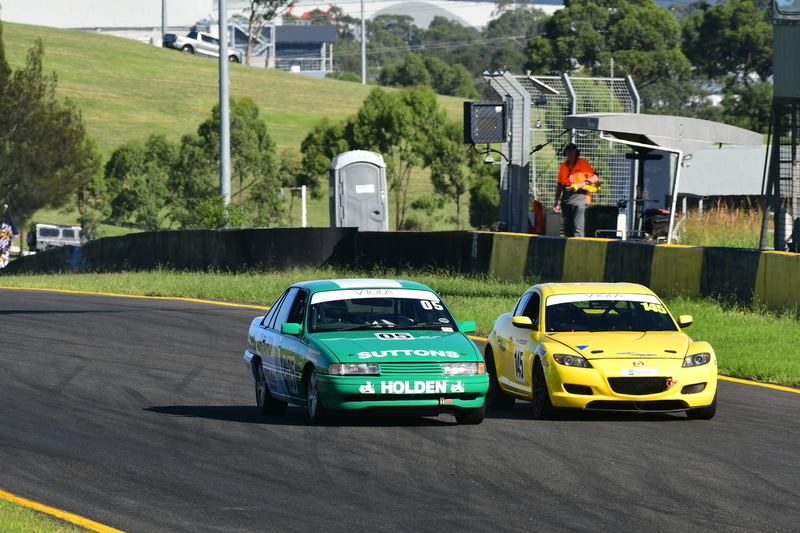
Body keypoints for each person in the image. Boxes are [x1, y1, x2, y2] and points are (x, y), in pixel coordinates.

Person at [552, 143, 599, 237]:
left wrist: (585, 183)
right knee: (567, 228)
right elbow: (560, 184)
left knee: (578, 229)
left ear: (576, 152)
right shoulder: (563, 166)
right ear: (565, 152)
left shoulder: (583, 163)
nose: (570, 152)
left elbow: (595, 177)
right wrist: (556, 201)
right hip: (566, 200)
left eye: (572, 150)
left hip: (579, 200)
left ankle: (578, 248)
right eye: (568, 150)